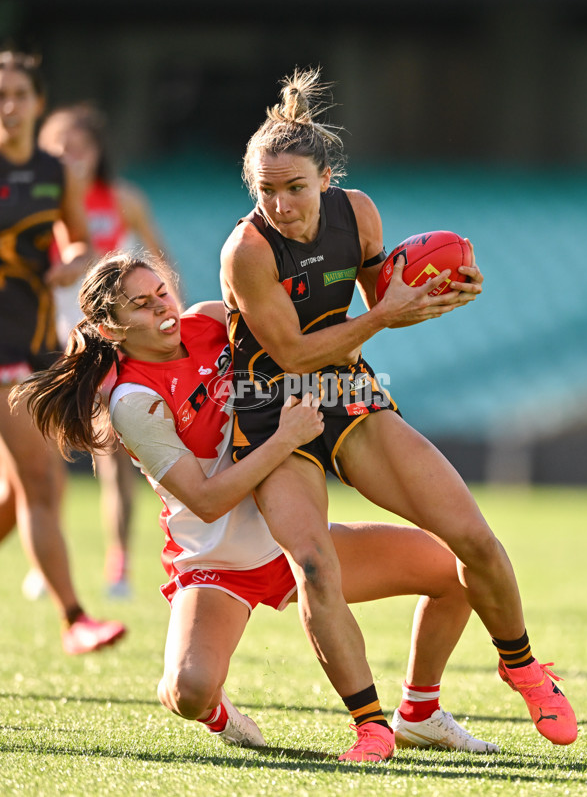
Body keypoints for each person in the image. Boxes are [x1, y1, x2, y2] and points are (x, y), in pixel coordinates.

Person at [10, 251, 500, 761]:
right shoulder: (134, 400)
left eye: (161, 293)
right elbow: (204, 501)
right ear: (111, 329)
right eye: (142, 305)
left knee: (457, 572)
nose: (163, 309)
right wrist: (286, 439)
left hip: (292, 536)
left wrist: (407, 294)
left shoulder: (211, 319)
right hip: (218, 563)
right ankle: (217, 710)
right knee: (189, 691)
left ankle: (419, 712)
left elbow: (300, 333)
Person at [219, 67, 577, 755]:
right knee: (316, 568)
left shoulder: (359, 215)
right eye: (266, 192)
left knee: (471, 536)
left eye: (295, 188)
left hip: (345, 392)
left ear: (326, 179)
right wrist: (385, 314)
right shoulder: (248, 251)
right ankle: (373, 727)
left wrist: (435, 297)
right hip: (268, 408)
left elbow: (386, 303)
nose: (281, 206)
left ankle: (523, 667)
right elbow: (291, 354)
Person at [0, 50, 126, 653]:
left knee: (23, 488)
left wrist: (73, 261)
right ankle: (75, 618)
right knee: (40, 482)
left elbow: (78, 240)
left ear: (37, 103)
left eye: (19, 94)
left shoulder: (58, 174)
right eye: (0, 95)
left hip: (39, 343)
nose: (9, 105)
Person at [33, 102, 174, 597]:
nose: (69, 156)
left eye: (79, 147)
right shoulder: (32, 201)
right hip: (46, 338)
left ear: (97, 153)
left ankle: (120, 566)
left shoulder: (122, 199)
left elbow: (157, 260)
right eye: (58, 147)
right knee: (43, 453)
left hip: (105, 340)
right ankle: (46, 557)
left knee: (112, 450)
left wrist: (162, 309)